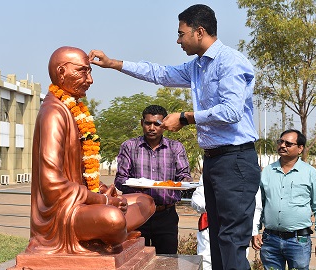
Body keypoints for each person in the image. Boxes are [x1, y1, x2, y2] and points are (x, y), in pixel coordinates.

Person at [90, 4, 261, 269]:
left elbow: (231, 111)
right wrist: (114, 64)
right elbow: (159, 73)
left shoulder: (230, 62)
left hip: (235, 160)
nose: (178, 40)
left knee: (231, 239)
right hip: (215, 161)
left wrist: (185, 117)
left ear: (199, 32)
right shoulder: (197, 67)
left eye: (181, 34)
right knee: (217, 239)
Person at [27, 46, 155, 254]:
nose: (90, 80)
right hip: (63, 214)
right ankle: (113, 232)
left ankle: (112, 232)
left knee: (145, 202)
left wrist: (101, 190)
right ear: (61, 72)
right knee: (112, 218)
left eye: (90, 72)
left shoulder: (74, 110)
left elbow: (81, 172)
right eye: (83, 71)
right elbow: (52, 185)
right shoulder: (53, 113)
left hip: (85, 201)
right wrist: (103, 201)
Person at [114, 104, 192, 254]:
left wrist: (182, 183)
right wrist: (137, 187)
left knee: (167, 260)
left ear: (164, 125)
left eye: (157, 124)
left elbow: (184, 175)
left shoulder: (176, 148)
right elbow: (120, 179)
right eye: (148, 123)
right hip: (136, 213)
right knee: (134, 259)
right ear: (141, 123)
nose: (152, 127)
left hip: (166, 215)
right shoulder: (129, 146)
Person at [252, 129, 316, 270]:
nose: (282, 145)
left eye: (288, 143)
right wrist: (255, 231)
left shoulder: (310, 173)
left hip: (298, 241)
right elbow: (259, 205)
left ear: (300, 148)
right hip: (270, 240)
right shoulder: (267, 172)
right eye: (280, 142)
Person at [191, 175, 263, 270]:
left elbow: (256, 204)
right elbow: (196, 200)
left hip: (237, 227)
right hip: (209, 227)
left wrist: (254, 231)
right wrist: (214, 206)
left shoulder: (244, 167)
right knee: (206, 263)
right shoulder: (211, 167)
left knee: (236, 263)